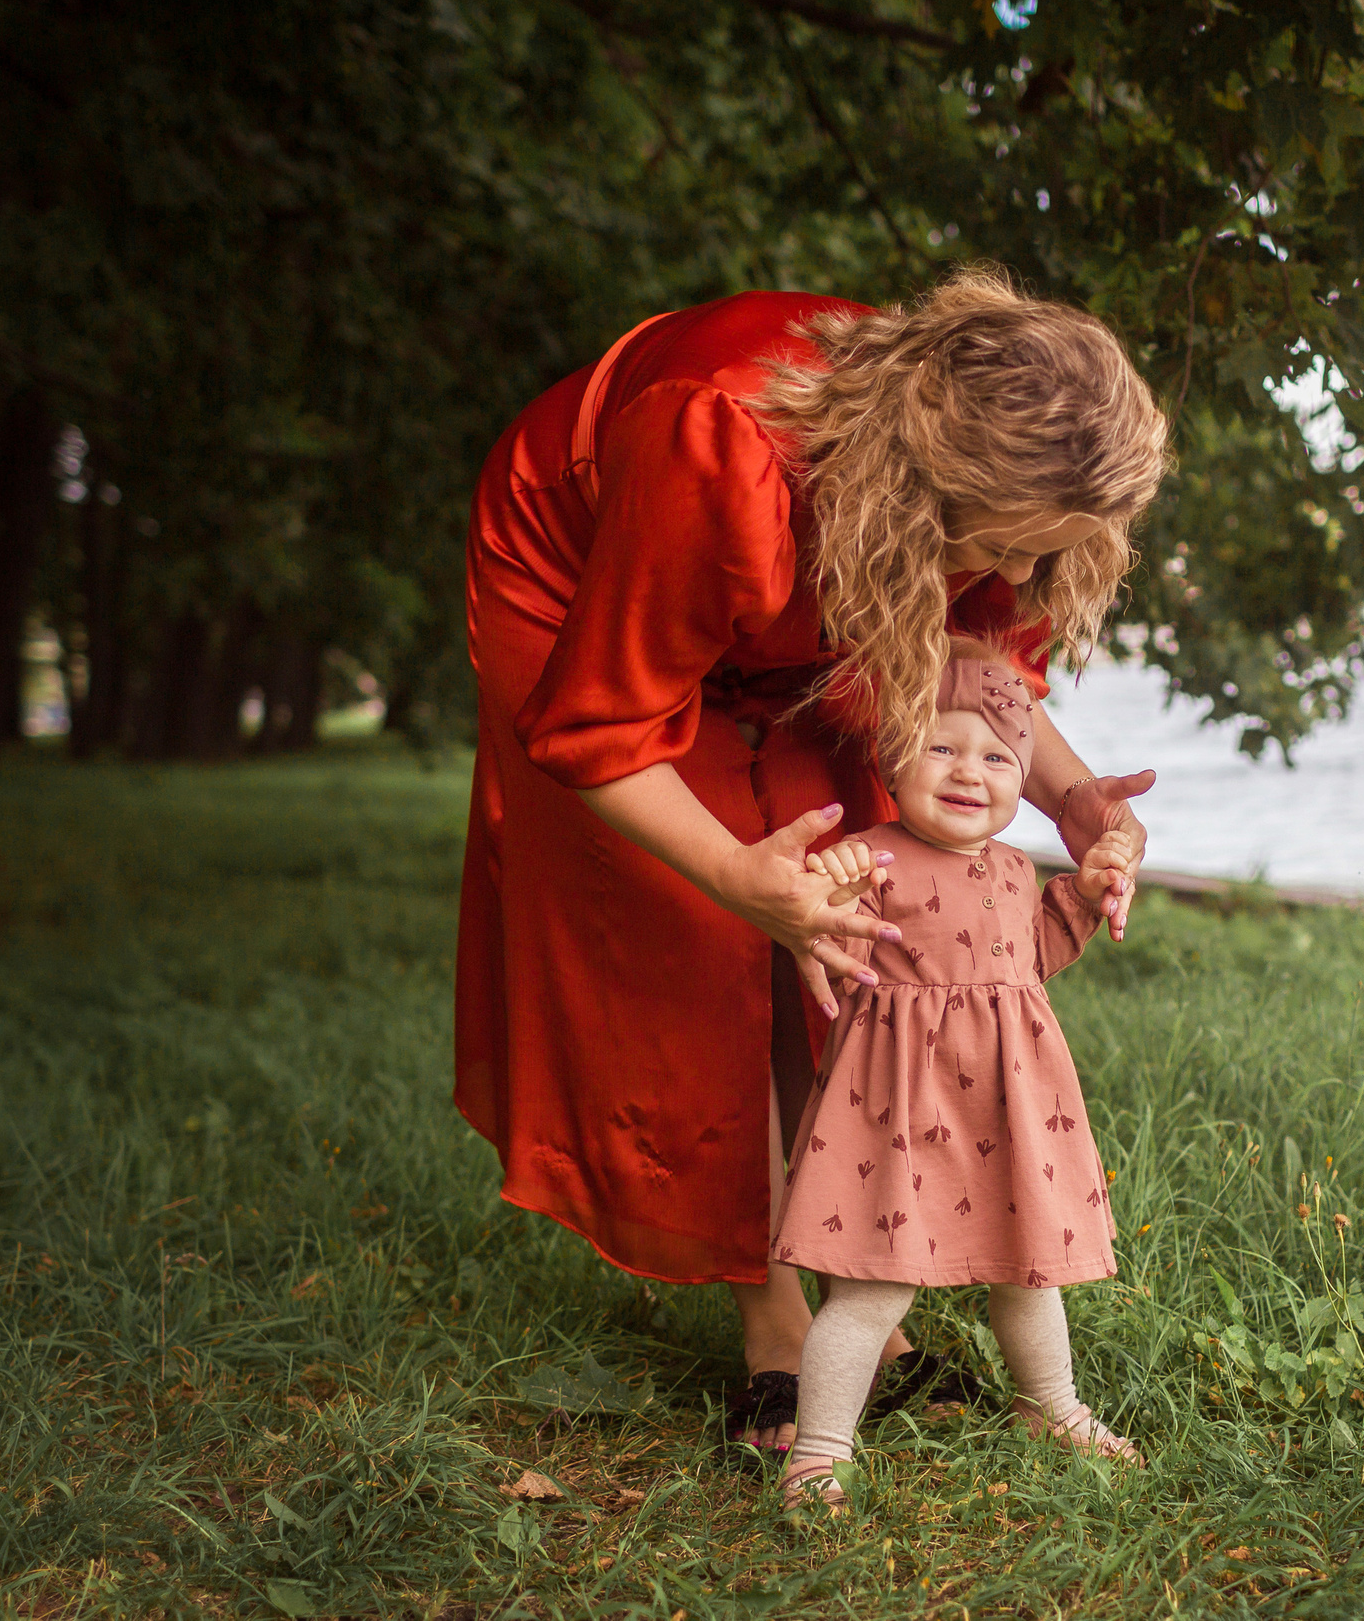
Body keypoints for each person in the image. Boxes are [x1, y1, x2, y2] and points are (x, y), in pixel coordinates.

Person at [454, 266, 1167, 1459]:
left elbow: (972, 673)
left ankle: (860, 1299)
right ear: (941, 490)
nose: (1038, 569)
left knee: (851, 926)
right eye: (1014, 544)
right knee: (695, 933)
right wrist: (736, 878)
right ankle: (776, 1325)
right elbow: (600, 730)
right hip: (583, 582)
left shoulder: (1008, 501)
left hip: (812, 572)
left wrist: (1076, 800)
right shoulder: (720, 446)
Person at [772, 646, 1140, 1509]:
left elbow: (1032, 958)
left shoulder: (1016, 870)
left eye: (997, 756)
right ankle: (819, 1451)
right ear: (892, 756)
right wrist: (828, 885)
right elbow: (832, 936)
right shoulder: (869, 858)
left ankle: (1053, 1406)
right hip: (895, 1115)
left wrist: (1083, 892)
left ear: (1022, 780)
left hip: (1006, 1111)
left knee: (1028, 1270)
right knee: (870, 1284)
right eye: (940, 747)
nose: (968, 771)